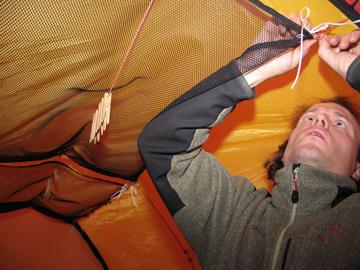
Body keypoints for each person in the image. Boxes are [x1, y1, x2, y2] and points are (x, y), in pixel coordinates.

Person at [138, 19, 360, 270]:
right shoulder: (233, 211)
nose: (319, 119)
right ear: (284, 153)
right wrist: (254, 67)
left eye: (340, 124)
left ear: (357, 167)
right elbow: (162, 143)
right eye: (309, 118)